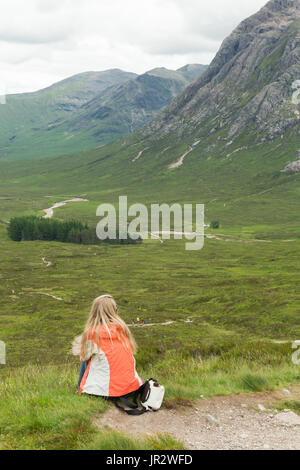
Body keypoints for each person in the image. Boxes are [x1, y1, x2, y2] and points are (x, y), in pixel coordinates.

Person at [77, 295, 143, 398]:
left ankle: (79, 388)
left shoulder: (92, 334)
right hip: (131, 389)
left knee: (86, 358)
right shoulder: (123, 330)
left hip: (105, 393)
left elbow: (84, 357)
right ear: (114, 311)